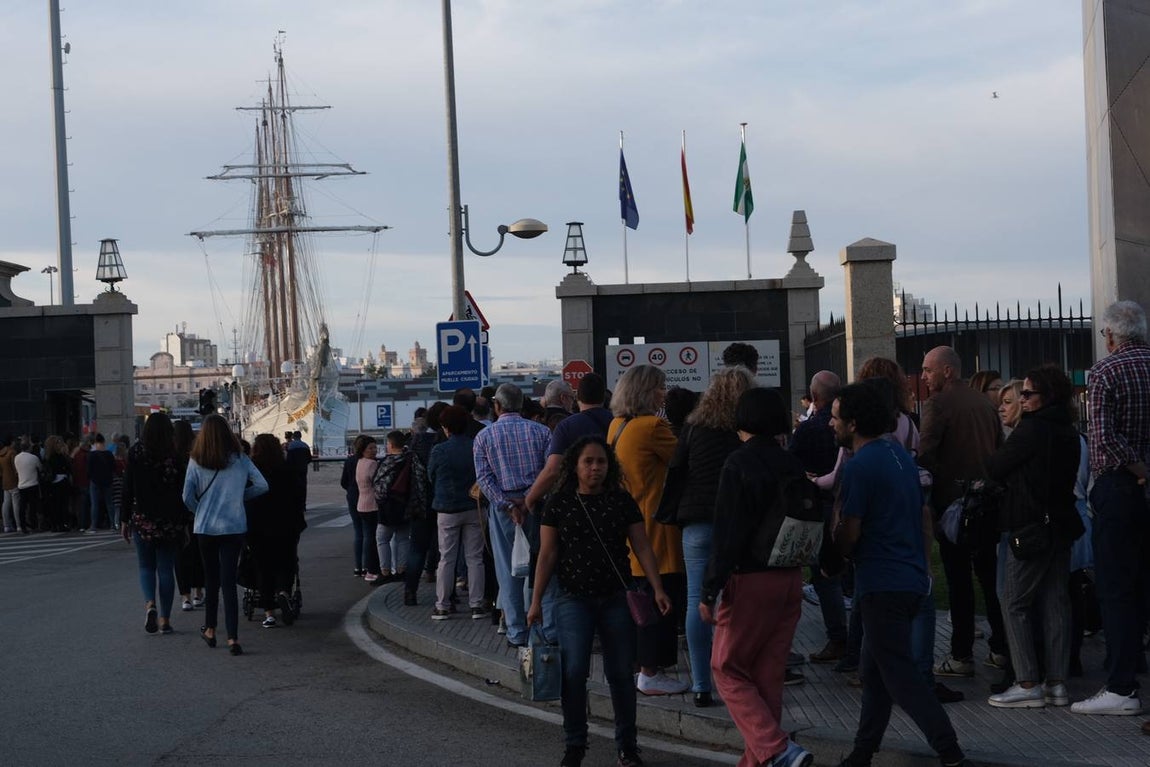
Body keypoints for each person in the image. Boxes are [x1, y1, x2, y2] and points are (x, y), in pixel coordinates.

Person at [832, 383, 969, 767]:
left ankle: (950, 751)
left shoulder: (859, 467)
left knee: (899, 676)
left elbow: (851, 533)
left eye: (836, 417)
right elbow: (924, 516)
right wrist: (924, 568)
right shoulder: (898, 455)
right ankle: (862, 752)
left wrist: (833, 542)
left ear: (853, 423)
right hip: (910, 578)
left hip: (881, 583)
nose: (831, 423)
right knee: (874, 672)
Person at [527, 435, 671, 767]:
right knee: (574, 670)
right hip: (572, 598)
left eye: (601, 462)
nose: (595, 468)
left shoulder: (620, 501)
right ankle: (575, 743)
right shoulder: (559, 503)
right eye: (588, 462)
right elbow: (547, 555)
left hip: (616, 598)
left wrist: (657, 588)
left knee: (621, 673)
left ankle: (627, 746)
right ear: (575, 467)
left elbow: (642, 547)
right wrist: (535, 602)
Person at [700, 387, 819, 767]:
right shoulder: (790, 463)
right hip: (789, 578)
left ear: (742, 420)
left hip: (750, 579)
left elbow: (728, 531)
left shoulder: (738, 463)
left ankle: (778, 749)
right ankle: (762, 759)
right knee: (768, 674)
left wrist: (709, 589)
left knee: (726, 667)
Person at [985, 365, 1082, 709]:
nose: (1022, 400)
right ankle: (1056, 682)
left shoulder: (1032, 430)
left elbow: (995, 466)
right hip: (1061, 522)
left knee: (1014, 602)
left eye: (1028, 394)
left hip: (1029, 525)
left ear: (1046, 397)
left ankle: (1027, 681)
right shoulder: (1068, 431)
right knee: (1056, 601)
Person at [1072, 300, 1150, 717]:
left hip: (1119, 488)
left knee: (1116, 588)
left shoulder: (1104, 372)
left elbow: (1105, 438)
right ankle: (1135, 659)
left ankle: (1121, 686)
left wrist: (1141, 470)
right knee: (1142, 582)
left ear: (1111, 335)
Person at [918, 345, 1008, 679]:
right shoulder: (985, 402)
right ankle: (1001, 647)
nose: (924, 376)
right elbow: (999, 448)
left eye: (928, 370)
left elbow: (926, 452)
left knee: (958, 581)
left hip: (954, 503)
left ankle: (961, 654)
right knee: (989, 577)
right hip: (986, 501)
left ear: (947, 371)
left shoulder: (938, 404)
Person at [668, 365, 756, 707]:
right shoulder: (745, 429)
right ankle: (734, 676)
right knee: (737, 600)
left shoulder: (693, 426)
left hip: (696, 521)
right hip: (736, 523)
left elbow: (677, 469)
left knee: (696, 600)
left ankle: (701, 684)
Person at [608, 365, 685, 695]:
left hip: (629, 530)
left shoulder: (616, 426)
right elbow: (684, 460)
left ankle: (641, 668)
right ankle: (653, 673)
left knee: (638, 606)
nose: (664, 393)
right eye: (659, 387)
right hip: (657, 531)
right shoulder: (653, 426)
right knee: (661, 604)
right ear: (645, 392)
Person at [473, 383, 553, 648]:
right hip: (537, 507)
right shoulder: (542, 432)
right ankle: (542, 627)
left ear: (497, 406)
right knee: (541, 565)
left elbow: (483, 477)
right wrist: (529, 498)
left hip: (502, 509)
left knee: (508, 570)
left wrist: (506, 505)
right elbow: (549, 471)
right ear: (522, 403)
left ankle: (517, 631)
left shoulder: (484, 437)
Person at [182, 414, 268, 655]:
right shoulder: (240, 459)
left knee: (211, 580)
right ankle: (232, 638)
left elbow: (186, 497)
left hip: (206, 528)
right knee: (229, 582)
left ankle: (210, 629)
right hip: (234, 526)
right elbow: (262, 485)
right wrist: (239, 499)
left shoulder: (196, 460)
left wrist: (199, 510)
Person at [790, 370, 846, 668]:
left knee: (824, 576)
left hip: (818, 507)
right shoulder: (847, 424)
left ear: (815, 397)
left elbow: (792, 464)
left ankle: (838, 636)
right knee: (838, 574)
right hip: (844, 504)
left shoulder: (809, 429)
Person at [122, 412, 190, 635]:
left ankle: (150, 604)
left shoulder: (136, 453)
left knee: (145, 566)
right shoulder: (175, 455)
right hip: (170, 519)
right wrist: (186, 521)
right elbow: (184, 491)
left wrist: (124, 519)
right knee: (165, 569)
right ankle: (165, 620)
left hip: (143, 518)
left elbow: (128, 487)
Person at [524, 373, 614, 515]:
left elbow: (552, 470)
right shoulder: (618, 423)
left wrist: (530, 498)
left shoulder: (566, 426)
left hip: (576, 504)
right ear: (604, 397)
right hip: (612, 498)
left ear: (578, 398)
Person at [427, 405, 485, 620]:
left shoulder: (439, 450)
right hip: (473, 507)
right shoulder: (475, 446)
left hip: (447, 508)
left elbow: (430, 475)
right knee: (474, 557)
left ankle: (442, 605)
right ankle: (477, 605)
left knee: (447, 558)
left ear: (446, 428)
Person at [247, 433, 306, 628]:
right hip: (286, 524)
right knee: (286, 562)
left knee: (263, 567)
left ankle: (269, 613)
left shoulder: (252, 469)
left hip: (258, 525)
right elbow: (299, 495)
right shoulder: (287, 469)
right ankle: (283, 592)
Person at [372, 431, 413, 582]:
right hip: (406, 504)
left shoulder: (387, 462)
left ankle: (385, 571)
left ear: (390, 444)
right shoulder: (410, 459)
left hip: (389, 506)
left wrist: (379, 501)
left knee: (382, 538)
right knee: (403, 538)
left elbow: (379, 485)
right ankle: (402, 570)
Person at [172, 420, 204, 611]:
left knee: (180, 554)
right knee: (199, 552)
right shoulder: (197, 454)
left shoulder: (171, 455)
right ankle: (199, 592)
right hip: (197, 508)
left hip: (177, 511)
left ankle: (185, 597)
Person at [353, 435, 383, 583]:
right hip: (372, 504)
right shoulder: (372, 464)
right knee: (373, 539)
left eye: (375, 447)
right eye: (370, 448)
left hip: (362, 503)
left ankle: (368, 569)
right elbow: (377, 483)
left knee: (367, 537)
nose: (374, 450)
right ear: (363, 450)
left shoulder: (360, 462)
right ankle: (373, 569)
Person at [341, 435, 371, 577]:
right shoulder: (369, 461)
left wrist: (351, 489)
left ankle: (358, 566)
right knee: (368, 532)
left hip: (352, 496)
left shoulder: (350, 460)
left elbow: (343, 481)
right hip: (366, 498)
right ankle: (367, 565)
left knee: (358, 532)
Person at [41, 435, 71, 531]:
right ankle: (60, 524)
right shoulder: (56, 457)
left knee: (56, 505)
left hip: (53, 482)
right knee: (60, 504)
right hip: (59, 481)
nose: (60, 444)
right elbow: (66, 467)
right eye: (58, 442)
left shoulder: (48, 457)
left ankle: (56, 524)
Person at [88, 433, 116, 530]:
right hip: (108, 481)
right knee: (109, 503)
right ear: (104, 442)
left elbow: (89, 469)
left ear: (95, 443)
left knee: (94, 503)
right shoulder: (109, 454)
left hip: (95, 481)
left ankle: (94, 525)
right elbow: (113, 467)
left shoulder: (92, 455)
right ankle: (113, 524)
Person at [14, 439, 42, 534]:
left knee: (22, 507)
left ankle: (23, 526)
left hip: (21, 484)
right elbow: (40, 468)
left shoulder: (16, 458)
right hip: (33, 484)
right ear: (29, 447)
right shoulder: (34, 458)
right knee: (33, 507)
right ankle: (34, 525)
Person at [0, 435, 18, 533]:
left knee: (6, 503)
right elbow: (15, 467)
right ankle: (18, 525)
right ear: (11, 442)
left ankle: (6, 525)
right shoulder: (12, 452)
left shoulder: (0, 453)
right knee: (16, 504)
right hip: (13, 481)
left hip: (4, 481)